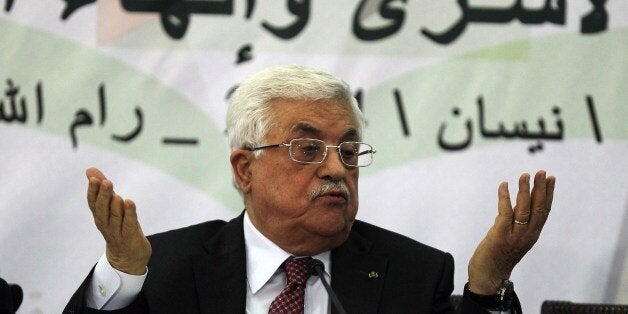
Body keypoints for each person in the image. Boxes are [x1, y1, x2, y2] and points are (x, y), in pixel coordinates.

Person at [64, 65, 556, 313]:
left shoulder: (412, 273)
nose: (335, 169)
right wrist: (124, 276)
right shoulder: (166, 268)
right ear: (245, 170)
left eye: (348, 149)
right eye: (307, 148)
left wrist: (488, 286)